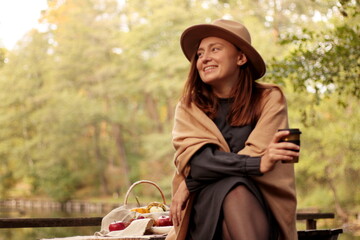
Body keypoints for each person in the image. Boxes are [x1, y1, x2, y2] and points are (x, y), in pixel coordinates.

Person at [166, 19, 298, 240]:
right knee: (233, 187)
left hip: (259, 204)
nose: (204, 58)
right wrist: (256, 164)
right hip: (205, 209)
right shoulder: (189, 106)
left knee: (236, 188)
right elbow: (198, 162)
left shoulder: (269, 98)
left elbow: (257, 153)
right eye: (199, 54)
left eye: (215, 49)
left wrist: (191, 183)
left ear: (240, 57)